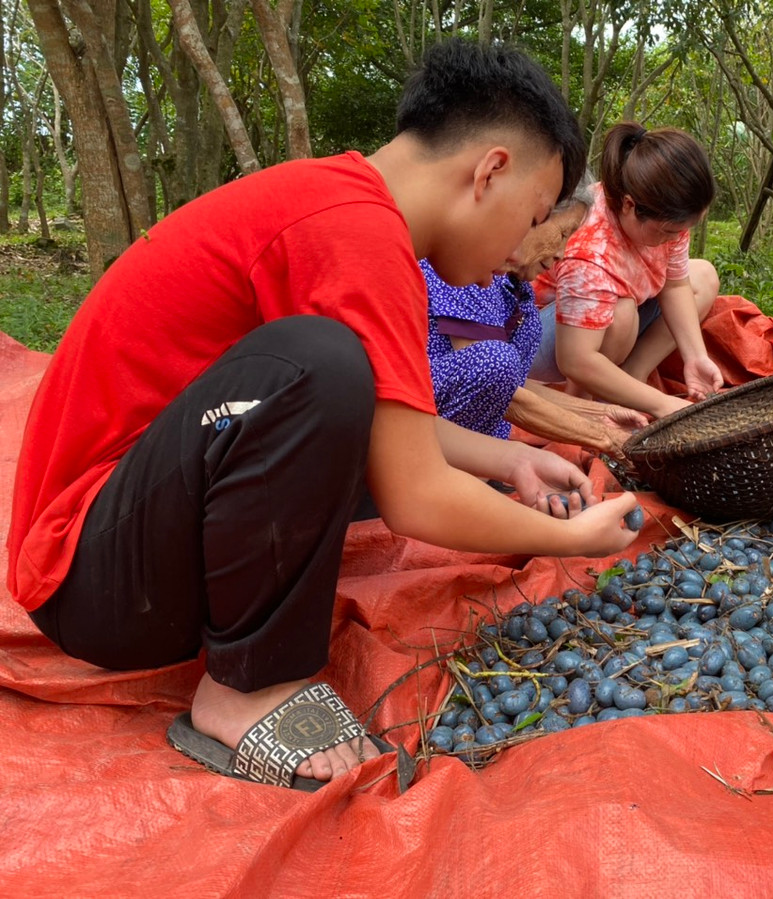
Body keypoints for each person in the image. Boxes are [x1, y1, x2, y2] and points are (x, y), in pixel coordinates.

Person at [5, 39, 640, 792]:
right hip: (92, 576)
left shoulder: (348, 211)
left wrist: (509, 458)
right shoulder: (354, 231)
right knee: (325, 358)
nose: (526, 249)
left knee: (340, 379)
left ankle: (245, 652)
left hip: (140, 543)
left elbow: (383, 418)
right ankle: (246, 688)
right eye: (534, 216)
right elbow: (413, 492)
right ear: (490, 170)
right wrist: (567, 539)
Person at [423, 174, 648, 479]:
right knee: (496, 362)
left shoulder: (516, 285)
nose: (562, 253)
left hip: (475, 445)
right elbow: (496, 381)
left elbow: (511, 386)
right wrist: (602, 437)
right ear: (531, 217)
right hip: (422, 428)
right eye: (563, 233)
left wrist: (602, 414)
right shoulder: (465, 265)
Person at [529, 122, 724, 421]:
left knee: (703, 276)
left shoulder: (665, 214)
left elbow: (675, 286)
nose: (676, 239)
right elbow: (575, 360)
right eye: (669, 232)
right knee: (621, 312)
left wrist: (695, 357)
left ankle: (633, 374)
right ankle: (584, 400)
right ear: (630, 206)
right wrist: (661, 404)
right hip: (547, 338)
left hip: (611, 309)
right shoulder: (590, 252)